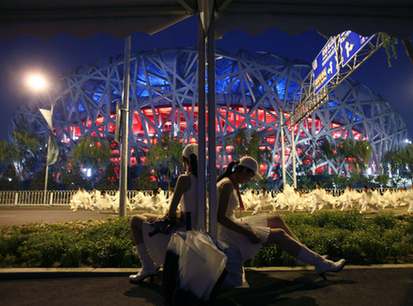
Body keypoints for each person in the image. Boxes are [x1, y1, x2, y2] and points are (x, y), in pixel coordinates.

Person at [217, 156, 346, 278]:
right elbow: (221, 218)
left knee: (276, 219)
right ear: (244, 170)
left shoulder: (230, 182)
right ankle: (322, 263)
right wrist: (248, 232)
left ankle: (301, 254)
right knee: (279, 234)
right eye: (250, 176)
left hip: (230, 223)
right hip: (226, 232)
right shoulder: (227, 185)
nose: (249, 180)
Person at [129, 143, 199, 283]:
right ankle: (150, 266)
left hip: (182, 229)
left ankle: (147, 266)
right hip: (194, 226)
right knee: (147, 216)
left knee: (135, 221)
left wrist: (167, 215)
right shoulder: (202, 180)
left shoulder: (184, 179)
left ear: (185, 160)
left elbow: (171, 212)